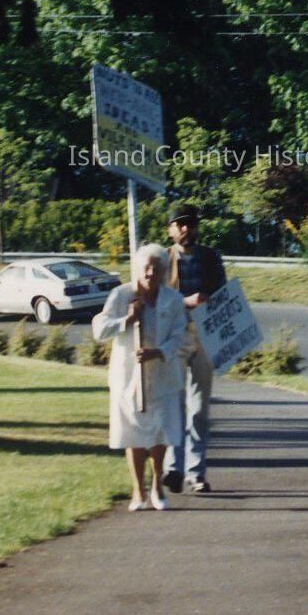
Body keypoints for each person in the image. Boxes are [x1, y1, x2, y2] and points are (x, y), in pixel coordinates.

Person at [92, 243, 187, 512]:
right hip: (128, 377)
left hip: (162, 376)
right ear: (137, 269)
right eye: (146, 268)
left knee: (160, 431)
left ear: (164, 272)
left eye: (156, 269)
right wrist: (127, 319)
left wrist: (159, 352)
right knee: (132, 432)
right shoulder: (121, 295)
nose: (150, 273)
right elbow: (99, 330)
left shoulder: (173, 299)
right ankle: (138, 490)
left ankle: (157, 485)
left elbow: (180, 336)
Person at [161, 203, 226, 494]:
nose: (187, 229)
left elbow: (224, 293)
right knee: (174, 403)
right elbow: (155, 298)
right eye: (181, 224)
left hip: (204, 335)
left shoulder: (212, 257)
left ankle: (196, 472)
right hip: (174, 337)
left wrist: (211, 301)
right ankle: (173, 468)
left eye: (191, 223)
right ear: (171, 230)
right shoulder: (162, 259)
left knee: (199, 407)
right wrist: (185, 302)